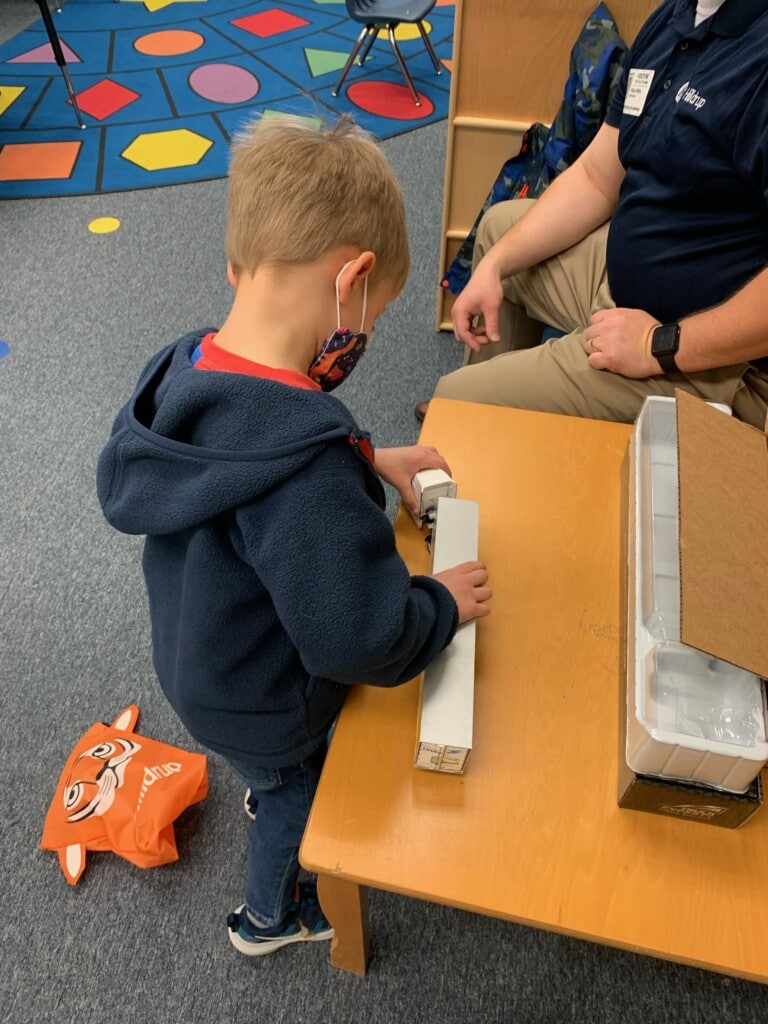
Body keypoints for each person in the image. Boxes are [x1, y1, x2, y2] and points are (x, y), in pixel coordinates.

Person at [96, 115, 492, 958]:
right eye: (374, 313)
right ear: (353, 278)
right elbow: (362, 641)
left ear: (240, 264)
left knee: (267, 771)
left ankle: (261, 775)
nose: (365, 335)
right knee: (295, 803)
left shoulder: (186, 366)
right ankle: (269, 918)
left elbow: (241, 468)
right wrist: (440, 604)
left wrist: (363, 456)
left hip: (200, 656)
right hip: (266, 700)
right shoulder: (303, 469)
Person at [423, 0, 768, 428]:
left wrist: (654, 345)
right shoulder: (676, 18)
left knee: (456, 403)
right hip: (628, 287)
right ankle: (497, 410)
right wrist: (494, 264)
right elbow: (596, 176)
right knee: (499, 236)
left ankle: (476, 412)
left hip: (708, 358)